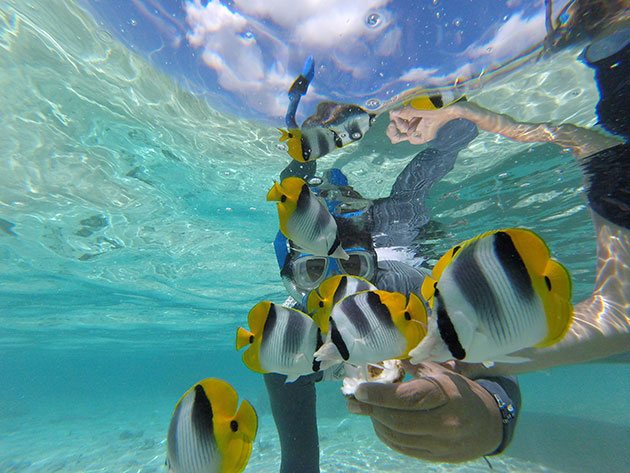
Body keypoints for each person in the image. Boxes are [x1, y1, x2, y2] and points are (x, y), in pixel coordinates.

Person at [265, 115, 522, 472]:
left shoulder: (408, 289)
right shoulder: (284, 341)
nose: (339, 289)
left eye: (353, 266)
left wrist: (492, 414)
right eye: (313, 270)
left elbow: (496, 360)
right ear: (291, 282)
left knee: (410, 195)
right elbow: (299, 462)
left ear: (374, 264)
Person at [384, 25, 629, 378]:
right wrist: (460, 113)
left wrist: (468, 356)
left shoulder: (619, 170)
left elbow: (622, 315)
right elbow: (592, 148)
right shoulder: (618, 173)